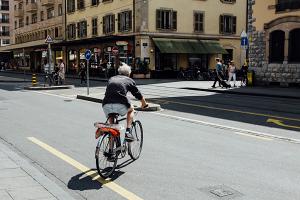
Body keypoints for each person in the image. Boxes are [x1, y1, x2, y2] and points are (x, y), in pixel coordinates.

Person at [102, 62, 148, 142]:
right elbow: (137, 94)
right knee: (131, 109)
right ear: (129, 74)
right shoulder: (129, 80)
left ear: (119, 73)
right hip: (120, 104)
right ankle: (128, 132)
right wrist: (144, 103)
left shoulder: (112, 78)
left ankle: (111, 149)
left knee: (112, 126)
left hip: (106, 104)